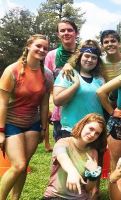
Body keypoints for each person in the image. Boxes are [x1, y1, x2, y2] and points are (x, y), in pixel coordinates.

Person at [0, 34, 53, 200]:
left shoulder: (47, 75)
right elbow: (1, 103)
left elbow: (44, 104)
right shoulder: (12, 70)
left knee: (24, 166)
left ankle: (16, 198)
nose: (42, 50)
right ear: (29, 45)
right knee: (19, 165)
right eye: (38, 46)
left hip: (33, 124)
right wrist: (1, 131)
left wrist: (44, 128)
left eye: (45, 48)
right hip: (11, 123)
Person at [43, 113, 107, 200]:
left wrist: (93, 174)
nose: (92, 134)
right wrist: (72, 172)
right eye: (91, 129)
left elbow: (89, 188)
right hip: (55, 196)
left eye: (97, 133)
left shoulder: (93, 152)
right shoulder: (63, 142)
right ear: (82, 125)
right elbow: (62, 156)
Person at [53, 39, 104, 139]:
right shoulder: (68, 74)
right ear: (80, 56)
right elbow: (57, 101)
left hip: (94, 133)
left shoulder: (99, 79)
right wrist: (76, 85)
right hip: (72, 131)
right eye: (87, 56)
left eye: (94, 58)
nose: (89, 60)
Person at [45, 19, 79, 143]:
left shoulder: (85, 55)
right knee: (61, 155)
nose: (66, 33)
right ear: (58, 34)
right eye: (62, 30)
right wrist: (45, 110)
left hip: (83, 112)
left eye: (70, 30)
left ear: (76, 33)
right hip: (60, 114)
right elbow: (46, 84)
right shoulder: (51, 56)